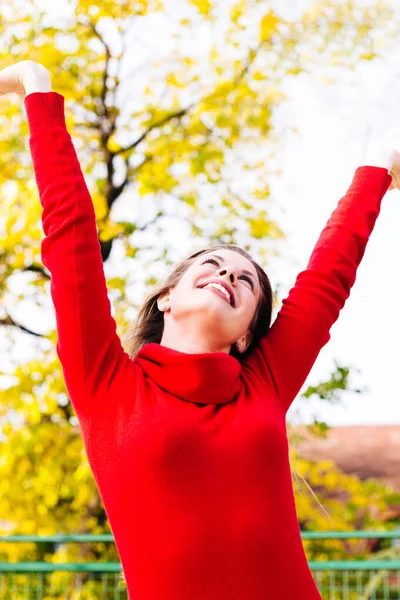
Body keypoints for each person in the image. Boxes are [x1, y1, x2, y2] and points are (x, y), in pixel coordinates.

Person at [1, 60, 399, 600]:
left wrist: (379, 167)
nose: (228, 274)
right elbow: (70, 237)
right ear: (167, 296)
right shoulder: (109, 387)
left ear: (245, 335)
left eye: (246, 281)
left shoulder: (263, 383)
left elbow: (327, 279)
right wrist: (37, 89)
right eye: (211, 265)